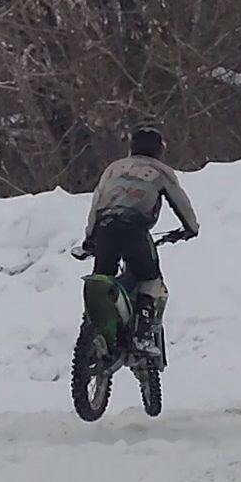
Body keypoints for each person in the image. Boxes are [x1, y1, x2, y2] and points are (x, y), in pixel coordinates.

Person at [75, 126, 199, 355]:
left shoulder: (114, 168)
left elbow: (96, 204)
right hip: (134, 229)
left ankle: (95, 331)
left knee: (102, 280)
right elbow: (180, 203)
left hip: (104, 228)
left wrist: (89, 239)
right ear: (159, 150)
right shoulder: (162, 171)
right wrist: (191, 228)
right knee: (149, 278)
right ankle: (142, 336)